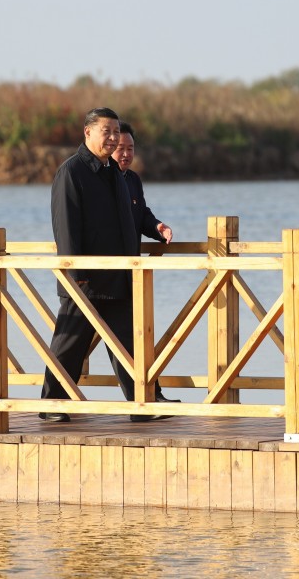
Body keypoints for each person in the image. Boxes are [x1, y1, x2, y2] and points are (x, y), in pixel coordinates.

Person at [39, 107, 171, 423]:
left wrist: (156, 229)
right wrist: (75, 276)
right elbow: (66, 227)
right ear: (88, 133)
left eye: (115, 132)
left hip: (119, 277)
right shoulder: (71, 172)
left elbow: (135, 215)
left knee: (128, 343)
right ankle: (51, 405)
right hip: (84, 280)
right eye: (106, 132)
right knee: (69, 343)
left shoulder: (116, 172)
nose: (112, 138)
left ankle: (142, 406)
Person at [111, 120, 179, 403]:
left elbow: (142, 214)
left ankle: (149, 396)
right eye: (120, 149)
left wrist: (157, 227)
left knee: (131, 337)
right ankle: (52, 399)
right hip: (99, 274)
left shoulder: (132, 180)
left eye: (130, 148)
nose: (126, 154)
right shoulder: (104, 179)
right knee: (73, 341)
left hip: (129, 272)